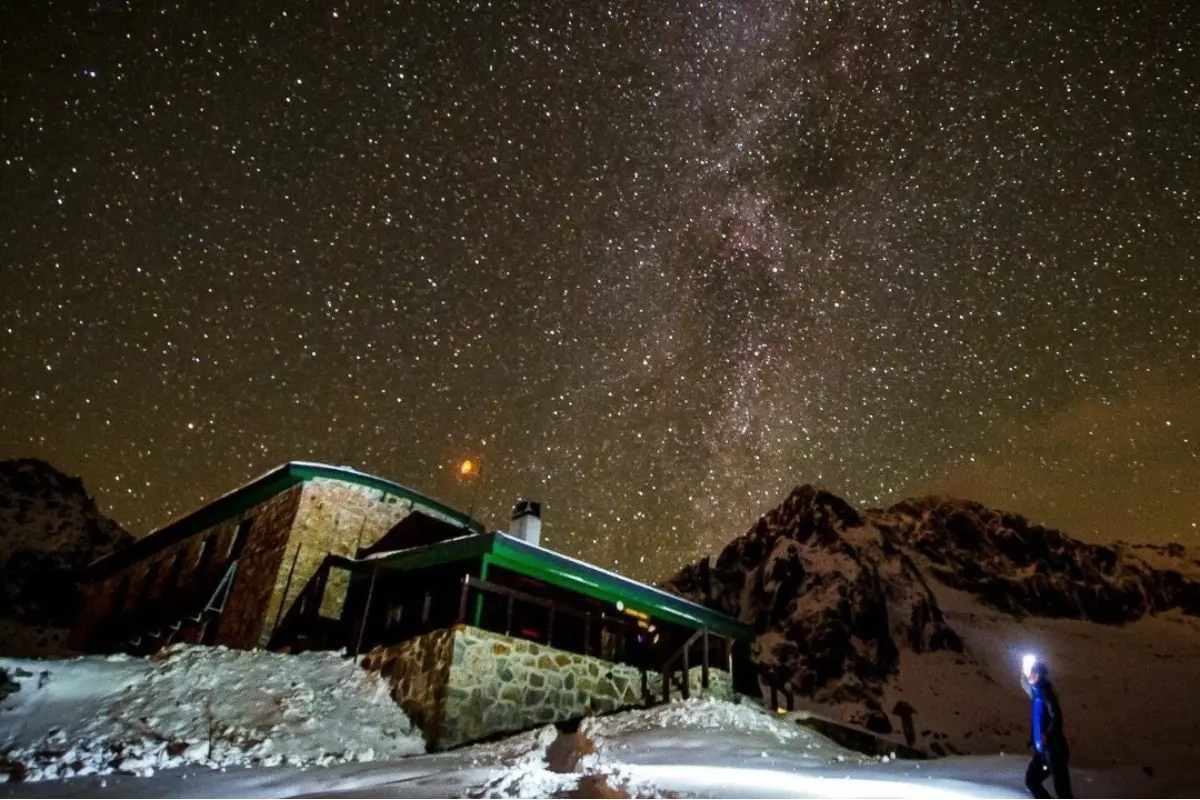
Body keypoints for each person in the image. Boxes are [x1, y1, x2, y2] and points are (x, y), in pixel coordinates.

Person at [1021, 659, 1073, 799]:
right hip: (1042, 752)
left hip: (1055, 751)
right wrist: (1023, 667)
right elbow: (1024, 683)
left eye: (1033, 672)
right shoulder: (1036, 692)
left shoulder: (1046, 692)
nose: (1030, 675)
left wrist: (1047, 734)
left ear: (1039, 674)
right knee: (1032, 780)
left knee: (1063, 791)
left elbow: (1057, 717)